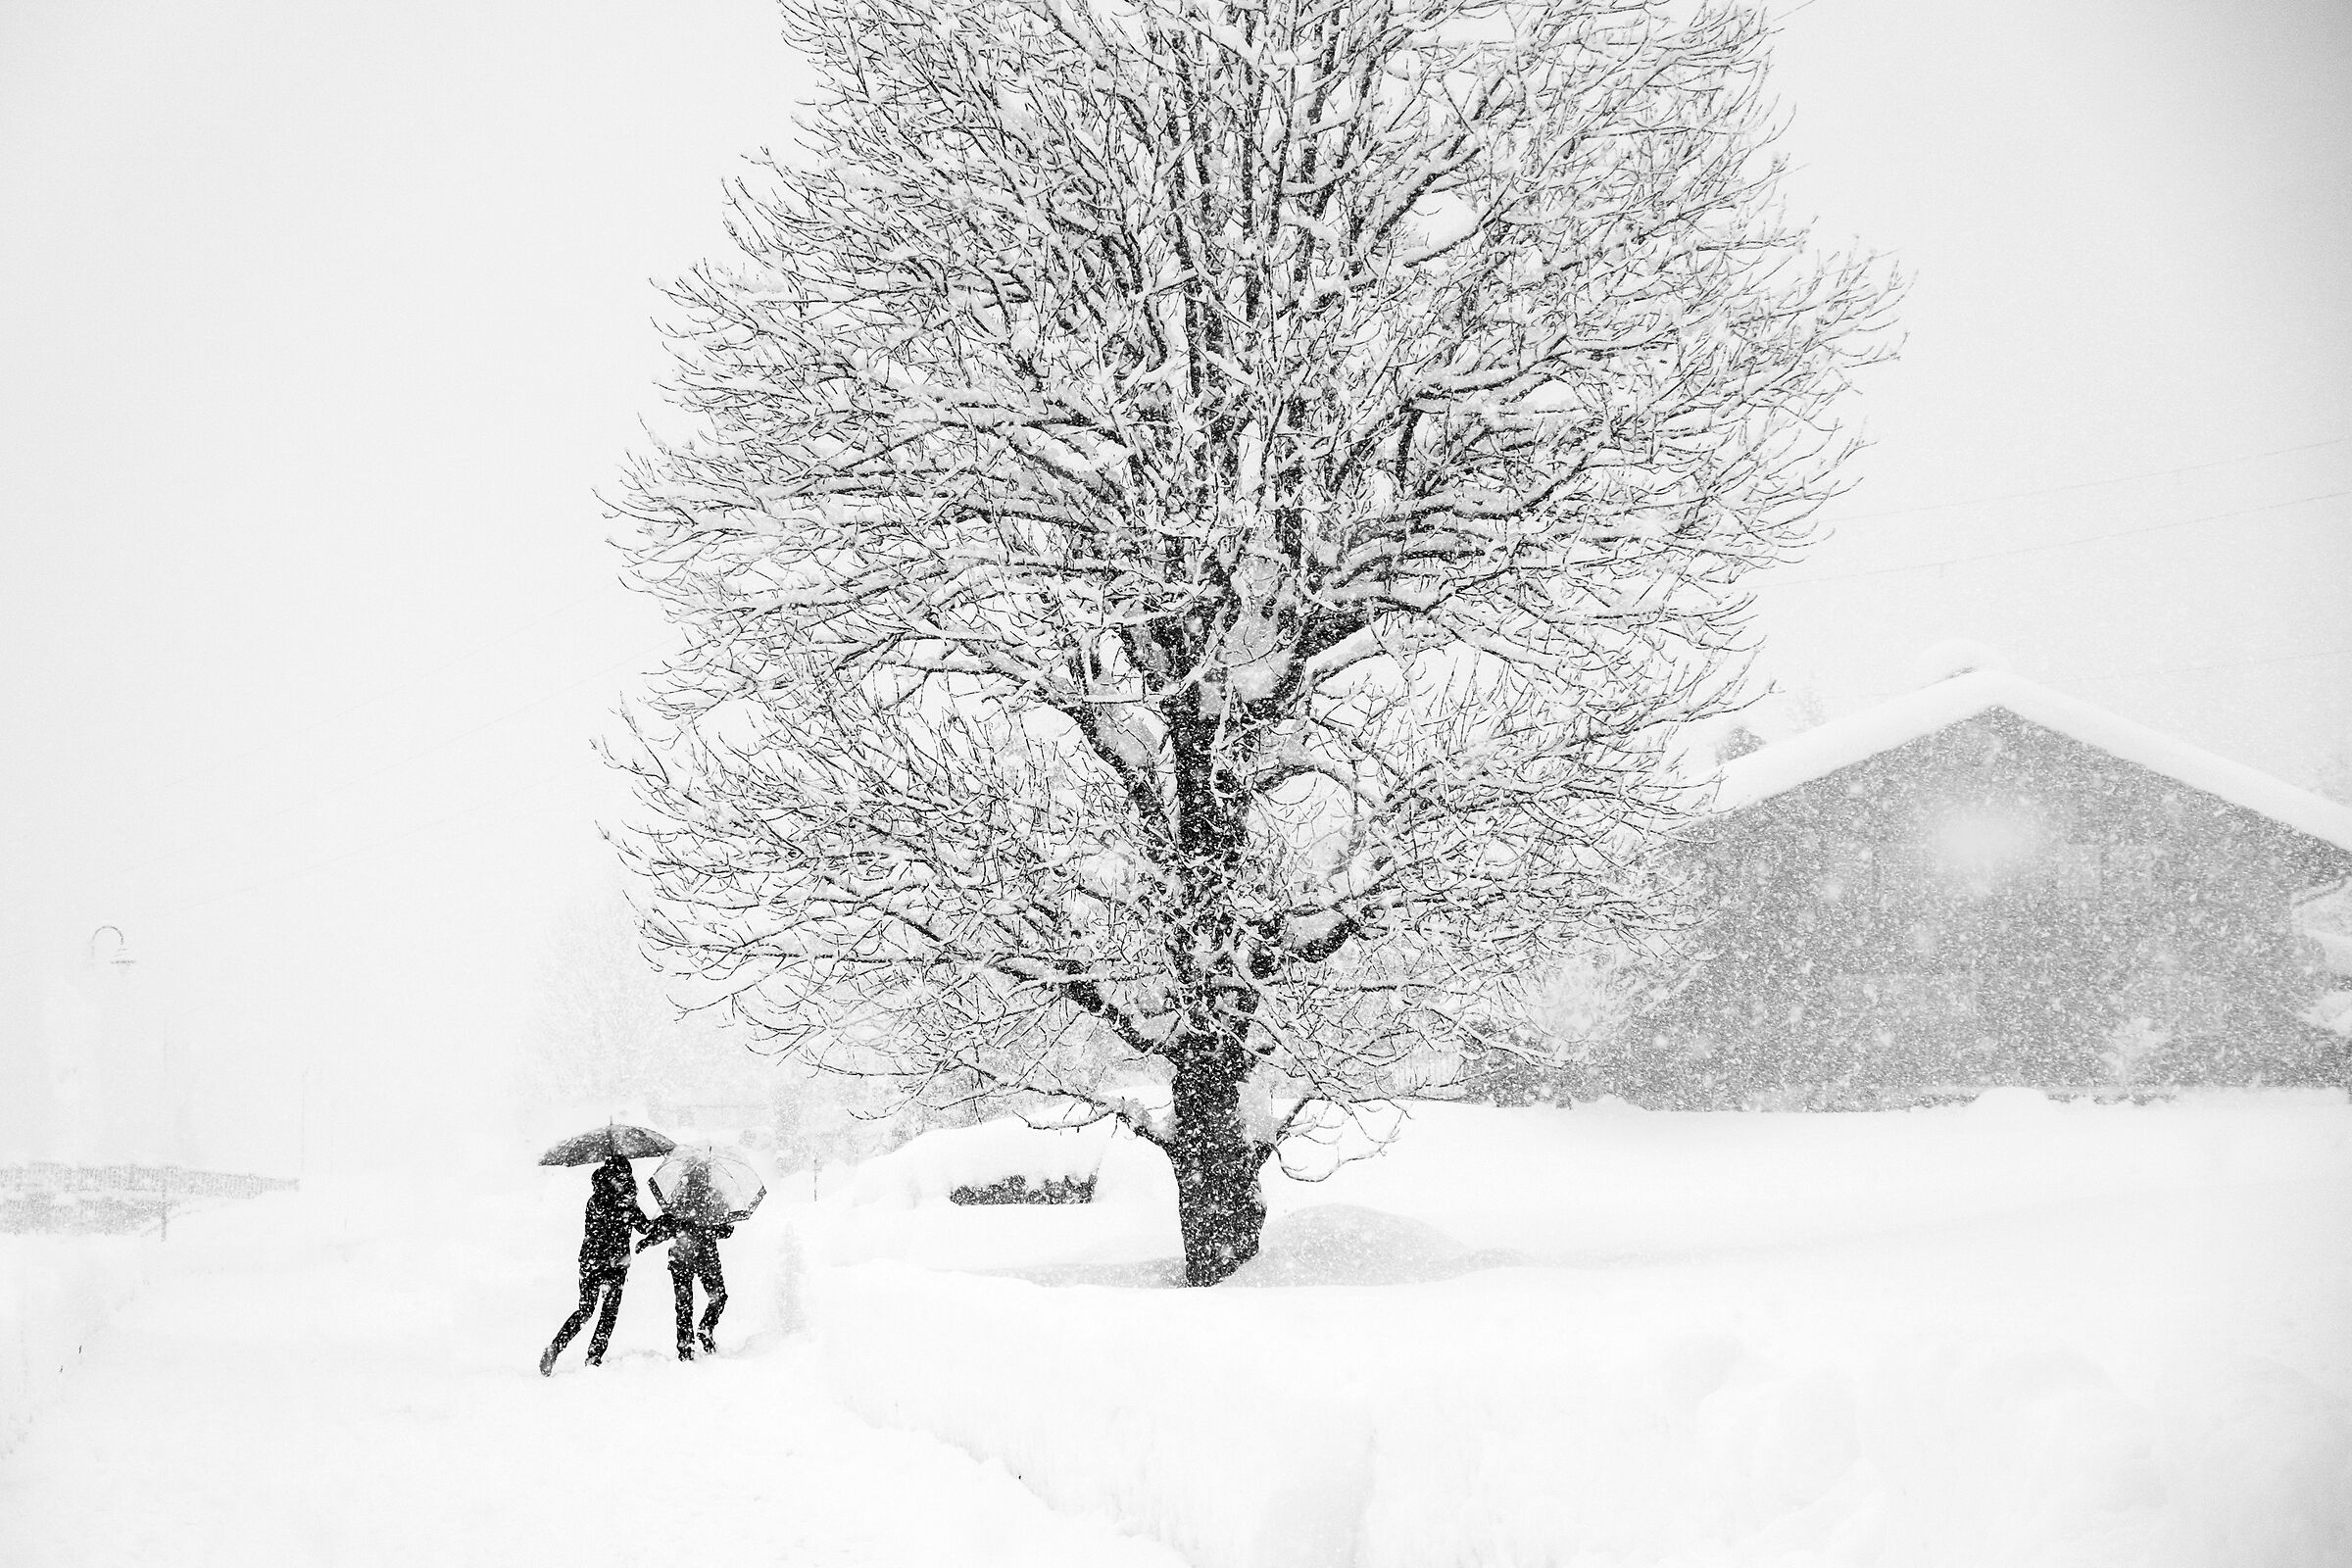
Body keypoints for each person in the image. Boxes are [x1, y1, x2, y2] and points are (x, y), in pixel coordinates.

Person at [539, 1152, 651, 1375]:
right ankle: (577, 1353)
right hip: (606, 1263)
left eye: (626, 1177)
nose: (624, 1180)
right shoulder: (611, 1203)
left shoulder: (608, 1201)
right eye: (621, 1176)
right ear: (613, 1177)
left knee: (595, 1311)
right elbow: (628, 1230)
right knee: (598, 1312)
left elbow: (637, 1227)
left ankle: (574, 1351)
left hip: (599, 1263)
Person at [639, 1208, 733, 1359]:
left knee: (684, 1306)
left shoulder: (679, 1199)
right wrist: (719, 1225)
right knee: (718, 1296)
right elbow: (726, 1231)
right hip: (706, 1258)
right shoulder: (714, 1201)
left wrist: (649, 1240)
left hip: (681, 1259)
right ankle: (706, 1327)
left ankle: (686, 1346)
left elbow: (667, 1227)